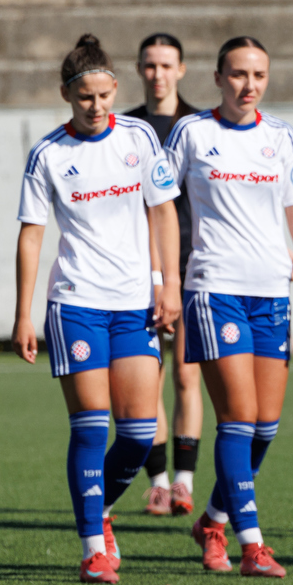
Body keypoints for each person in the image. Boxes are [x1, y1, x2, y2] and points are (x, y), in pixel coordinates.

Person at [12, 34, 181, 583]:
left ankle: (99, 508)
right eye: (86, 97)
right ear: (67, 94)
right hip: (76, 305)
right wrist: (22, 313)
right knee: (89, 428)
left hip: (136, 305)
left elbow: (163, 215)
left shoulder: (139, 139)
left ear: (115, 90)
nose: (97, 106)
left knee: (136, 435)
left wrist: (167, 284)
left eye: (105, 95)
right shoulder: (48, 154)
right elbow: (32, 237)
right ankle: (92, 546)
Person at [163, 36, 293, 577]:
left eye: (258, 74)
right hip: (214, 289)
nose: (248, 84)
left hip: (272, 293)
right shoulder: (192, 132)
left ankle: (212, 519)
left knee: (265, 427)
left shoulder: (280, 138)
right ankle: (252, 543)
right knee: (236, 419)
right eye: (237, 74)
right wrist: (163, 280)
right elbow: (158, 206)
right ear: (217, 78)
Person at [121, 33, 205, 517]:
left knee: (187, 376)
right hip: (138, 269)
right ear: (139, 69)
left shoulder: (196, 125)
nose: (158, 74)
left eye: (166, 64)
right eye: (149, 65)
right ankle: (156, 481)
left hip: (193, 266)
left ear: (182, 69)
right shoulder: (123, 127)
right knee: (148, 379)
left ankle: (185, 482)